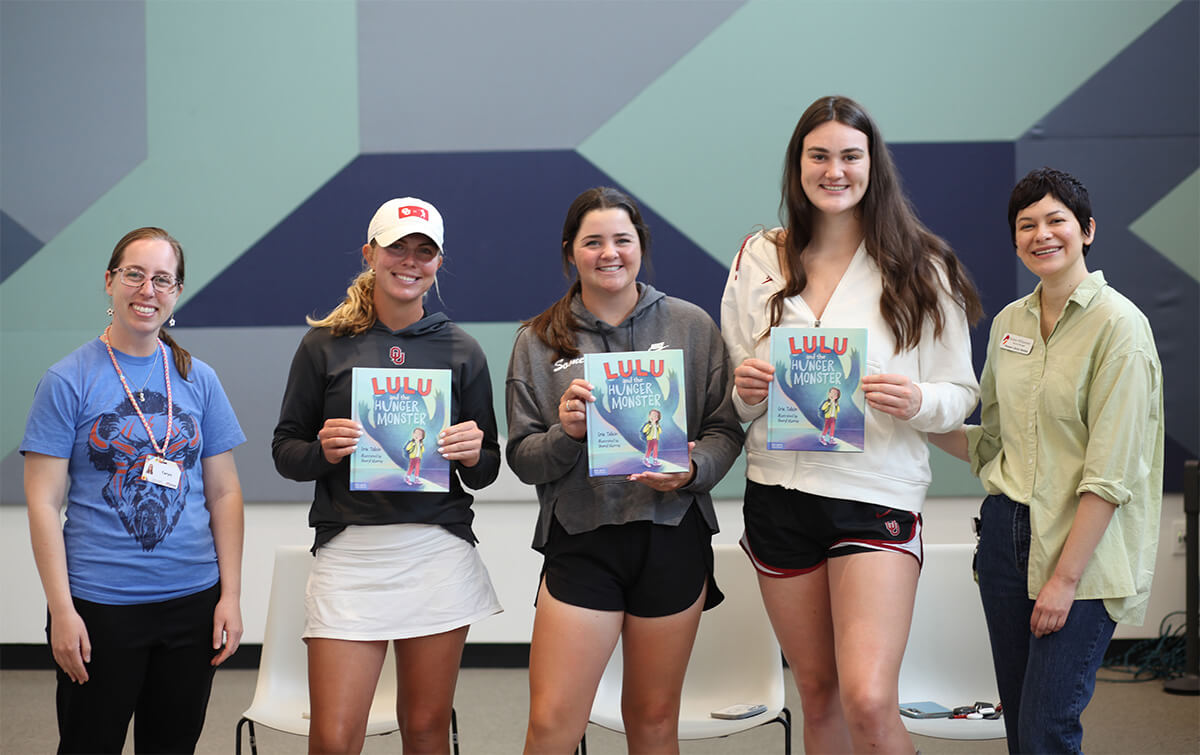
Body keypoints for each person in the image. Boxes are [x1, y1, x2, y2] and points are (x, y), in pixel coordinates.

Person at [720, 95, 982, 752]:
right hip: (778, 495)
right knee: (819, 691)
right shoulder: (760, 256)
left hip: (875, 495)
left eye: (849, 156)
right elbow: (736, 392)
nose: (833, 170)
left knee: (867, 696)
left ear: (873, 165)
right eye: (819, 155)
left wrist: (914, 398)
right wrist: (747, 388)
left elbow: (960, 394)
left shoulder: (923, 263)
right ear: (798, 164)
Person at [929, 167, 1163, 753]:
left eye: (1056, 220)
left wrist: (1064, 579)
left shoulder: (1122, 328)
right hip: (1005, 537)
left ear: (1086, 230)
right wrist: (910, 413)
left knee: (1046, 732)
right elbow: (991, 443)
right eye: (1026, 224)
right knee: (1020, 729)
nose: (1041, 234)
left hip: (1080, 551)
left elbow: (1110, 476)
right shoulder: (1009, 322)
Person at [506, 186, 744, 754]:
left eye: (622, 239)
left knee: (655, 721)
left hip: (670, 538)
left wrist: (691, 469)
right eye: (593, 242)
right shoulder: (538, 341)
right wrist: (568, 435)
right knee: (551, 723)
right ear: (571, 253)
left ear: (641, 246)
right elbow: (522, 457)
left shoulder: (691, 326)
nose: (608, 253)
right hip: (582, 541)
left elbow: (725, 429)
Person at [272, 197, 502, 755]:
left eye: (425, 251)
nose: (410, 260)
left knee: (425, 731)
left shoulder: (463, 350)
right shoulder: (323, 344)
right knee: (333, 737)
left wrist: (474, 453)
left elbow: (488, 469)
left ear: (438, 263)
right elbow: (286, 452)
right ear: (371, 253)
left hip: (436, 553)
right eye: (397, 247)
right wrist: (324, 451)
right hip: (350, 554)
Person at [22, 227, 246, 754]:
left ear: (177, 293)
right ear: (110, 282)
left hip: (193, 604)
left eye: (162, 279)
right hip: (100, 608)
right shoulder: (68, 379)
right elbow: (42, 502)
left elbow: (224, 494)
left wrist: (231, 597)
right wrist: (62, 610)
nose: (148, 290)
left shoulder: (200, 379)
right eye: (135, 275)